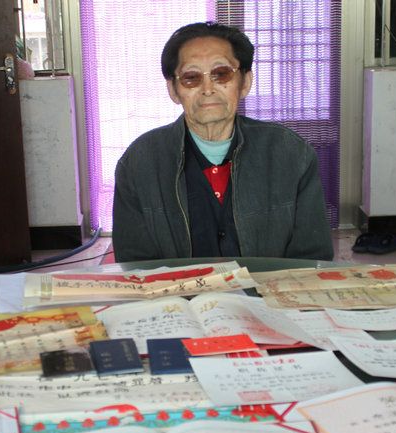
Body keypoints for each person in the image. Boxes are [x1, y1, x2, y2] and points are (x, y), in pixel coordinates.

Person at [112, 22, 333, 262]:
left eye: (221, 74)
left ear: (245, 82)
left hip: (270, 287)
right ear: (173, 90)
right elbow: (135, 266)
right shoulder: (139, 162)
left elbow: (312, 258)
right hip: (178, 288)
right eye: (191, 77)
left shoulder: (292, 154)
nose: (208, 89)